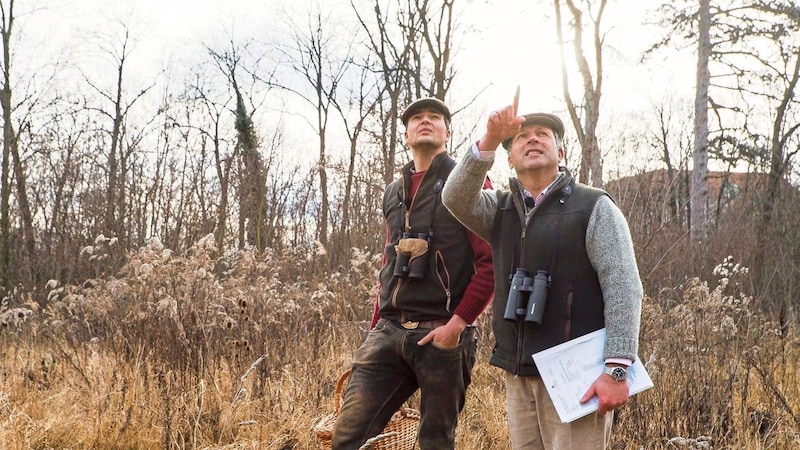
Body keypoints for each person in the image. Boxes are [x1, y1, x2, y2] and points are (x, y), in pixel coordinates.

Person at [442, 92, 643, 449]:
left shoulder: (593, 205)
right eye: (521, 136)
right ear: (509, 159)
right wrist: (488, 139)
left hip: (576, 376)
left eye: (542, 134)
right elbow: (454, 197)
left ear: (561, 154)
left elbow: (623, 285)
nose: (531, 138)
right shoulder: (500, 209)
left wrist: (616, 369)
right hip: (519, 373)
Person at [331, 97, 495, 450]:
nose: (425, 121)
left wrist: (457, 325)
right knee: (348, 438)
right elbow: (387, 266)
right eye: (416, 118)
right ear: (405, 134)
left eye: (434, 117)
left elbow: (490, 263)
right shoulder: (393, 191)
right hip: (388, 332)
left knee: (435, 443)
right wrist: (376, 328)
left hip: (442, 333)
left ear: (447, 132)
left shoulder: (467, 181)